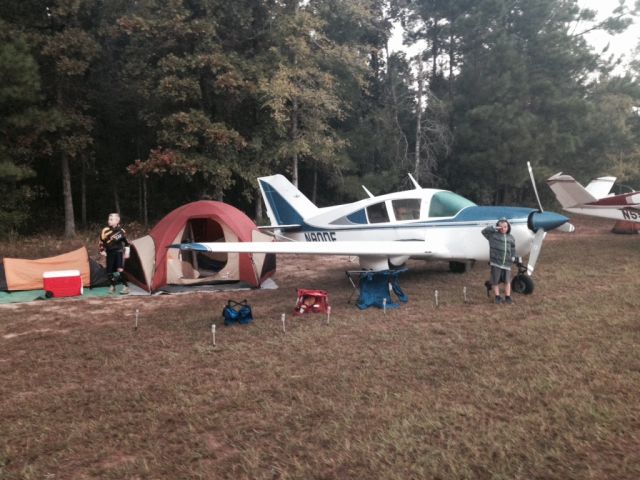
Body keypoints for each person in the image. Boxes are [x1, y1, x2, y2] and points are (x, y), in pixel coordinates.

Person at [482, 218, 516, 304]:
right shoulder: (493, 236)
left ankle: (508, 297)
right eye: (501, 227)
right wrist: (494, 228)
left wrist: (512, 256)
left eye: (505, 227)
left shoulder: (510, 237)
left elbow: (513, 248)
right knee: (495, 281)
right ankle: (497, 297)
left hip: (507, 263)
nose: (503, 229)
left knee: (507, 281)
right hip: (496, 263)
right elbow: (484, 231)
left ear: (508, 227)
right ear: (498, 227)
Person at [99, 213, 130, 294]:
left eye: (111, 219)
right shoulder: (105, 230)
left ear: (117, 220)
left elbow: (127, 243)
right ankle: (112, 286)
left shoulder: (122, 231)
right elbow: (101, 241)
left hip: (118, 252)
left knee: (120, 269)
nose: (109, 221)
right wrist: (102, 250)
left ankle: (126, 286)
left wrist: (127, 252)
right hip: (109, 253)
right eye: (109, 219)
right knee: (109, 271)